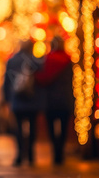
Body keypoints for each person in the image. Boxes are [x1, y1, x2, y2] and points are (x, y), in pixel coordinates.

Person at [3, 40, 44, 166]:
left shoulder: (12, 60)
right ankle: (31, 155)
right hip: (33, 99)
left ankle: (20, 155)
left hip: (17, 100)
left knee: (18, 128)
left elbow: (7, 82)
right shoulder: (36, 61)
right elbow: (42, 80)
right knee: (32, 128)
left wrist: (6, 99)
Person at [35, 36, 73, 165]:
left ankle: (54, 151)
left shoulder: (47, 60)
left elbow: (42, 79)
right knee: (63, 129)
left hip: (49, 101)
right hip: (65, 100)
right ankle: (60, 152)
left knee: (51, 128)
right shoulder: (68, 60)